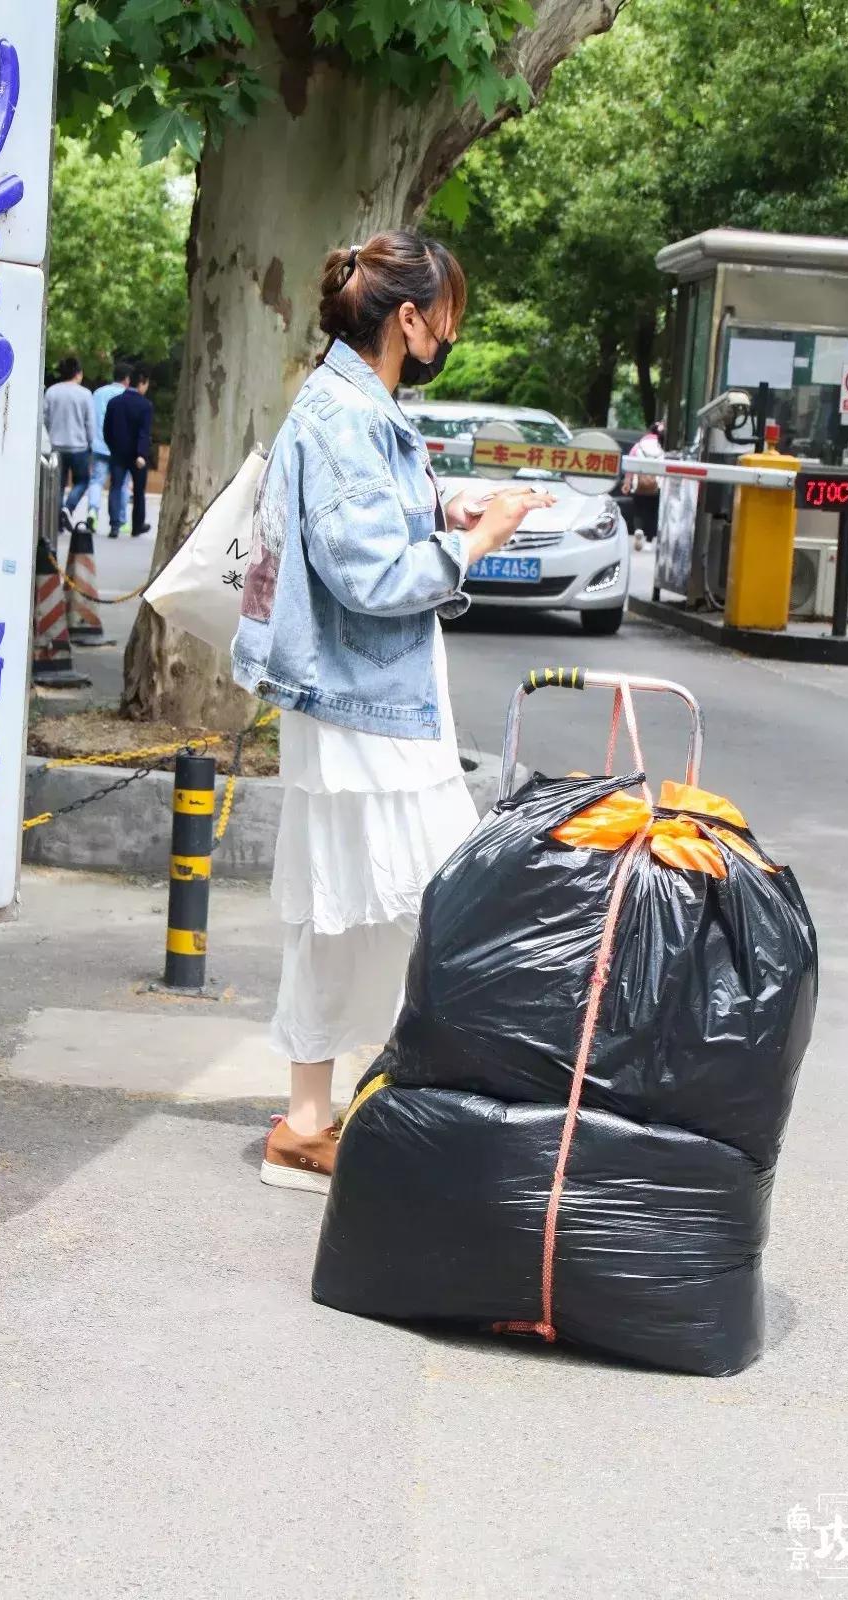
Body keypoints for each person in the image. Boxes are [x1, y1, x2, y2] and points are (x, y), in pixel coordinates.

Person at [231, 230, 554, 1194]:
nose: (450, 329)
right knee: (448, 896)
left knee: (341, 909)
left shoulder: (351, 403)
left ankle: (308, 1123)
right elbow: (368, 572)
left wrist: (442, 513)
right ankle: (458, 1113)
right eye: (444, 312)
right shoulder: (345, 414)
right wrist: (478, 542)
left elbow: (367, 525)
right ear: (406, 319)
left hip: (360, 703)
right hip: (366, 707)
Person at [43, 354, 94, 529]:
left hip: (56, 445)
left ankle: (56, 521)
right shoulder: (85, 394)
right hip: (79, 446)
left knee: (58, 485)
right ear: (78, 373)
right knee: (82, 481)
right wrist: (90, 442)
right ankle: (68, 507)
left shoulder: (51, 392)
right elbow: (90, 423)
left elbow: (45, 418)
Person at [103, 364, 153, 537]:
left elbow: (106, 430)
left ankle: (115, 525)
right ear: (142, 383)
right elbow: (143, 433)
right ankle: (137, 525)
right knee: (139, 491)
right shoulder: (145, 405)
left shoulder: (114, 403)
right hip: (137, 456)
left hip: (117, 453)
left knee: (116, 487)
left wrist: (113, 447)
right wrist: (141, 454)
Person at [86, 360, 132, 534]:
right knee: (122, 484)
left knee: (97, 480)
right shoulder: (127, 395)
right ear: (127, 379)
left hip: (99, 445)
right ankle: (121, 520)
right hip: (121, 449)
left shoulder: (98, 393)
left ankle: (92, 511)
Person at [622, 420, 665, 549]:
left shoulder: (638, 446)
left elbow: (630, 465)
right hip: (657, 485)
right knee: (653, 512)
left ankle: (638, 530)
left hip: (639, 484)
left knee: (639, 510)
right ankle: (650, 540)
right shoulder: (662, 446)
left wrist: (627, 483)